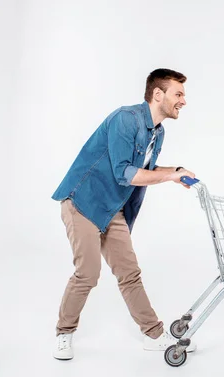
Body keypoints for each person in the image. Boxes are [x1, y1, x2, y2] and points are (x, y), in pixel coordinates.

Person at [51, 68, 198, 360]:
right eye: (178, 94)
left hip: (111, 210)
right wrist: (168, 178)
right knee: (88, 274)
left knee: (129, 273)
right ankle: (64, 333)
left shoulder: (158, 132)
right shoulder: (125, 119)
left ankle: (154, 334)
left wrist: (175, 172)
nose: (183, 101)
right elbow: (124, 173)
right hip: (83, 203)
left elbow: (147, 170)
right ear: (158, 94)